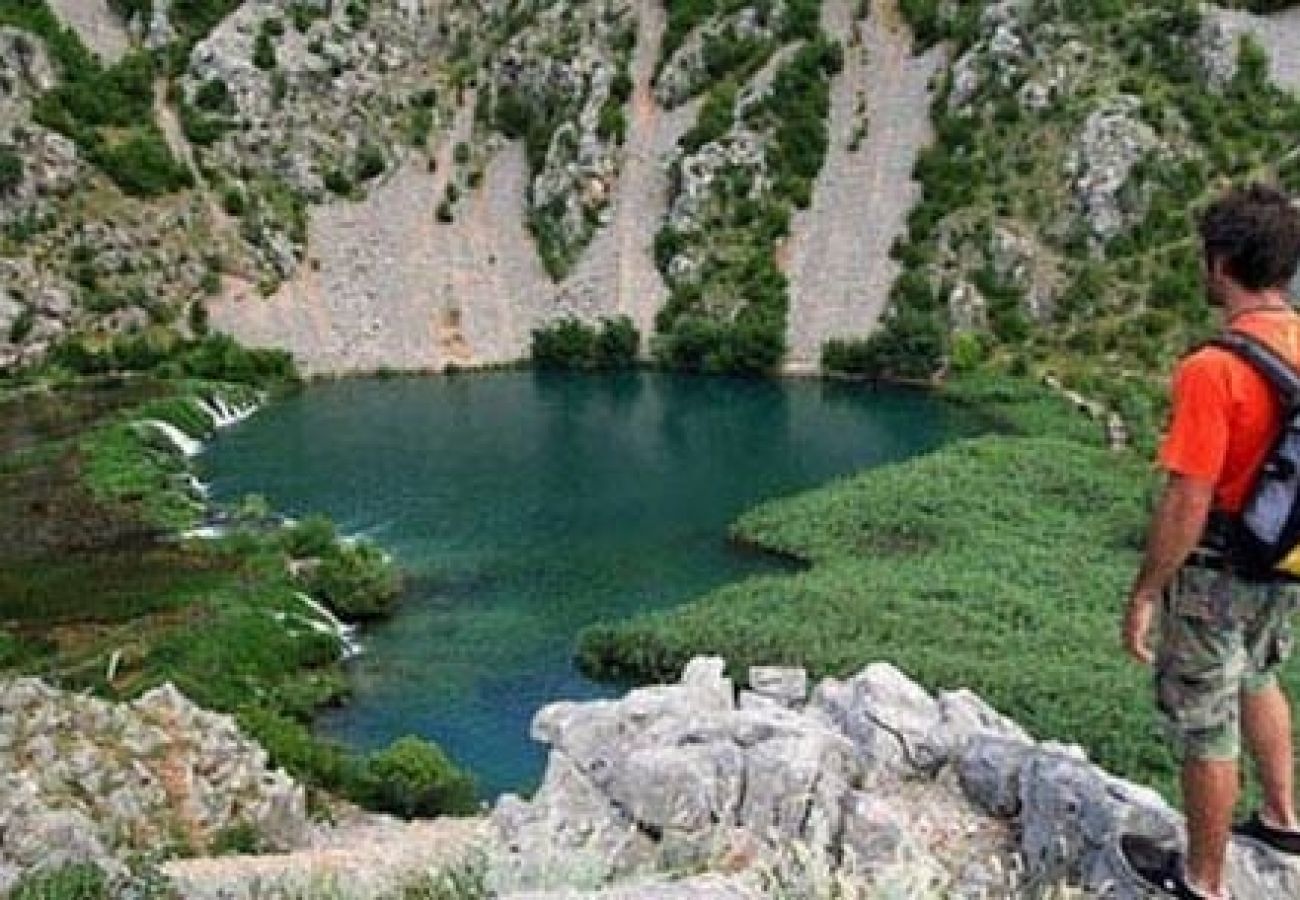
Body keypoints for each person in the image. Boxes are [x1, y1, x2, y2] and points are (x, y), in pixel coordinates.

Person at [1122, 183, 1300, 900]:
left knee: (1204, 723)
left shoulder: (1214, 369)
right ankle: (1284, 818)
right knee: (1259, 675)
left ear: (1220, 262)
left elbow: (1187, 498)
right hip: (1282, 560)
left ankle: (1202, 879)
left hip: (1215, 572)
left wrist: (1145, 590)